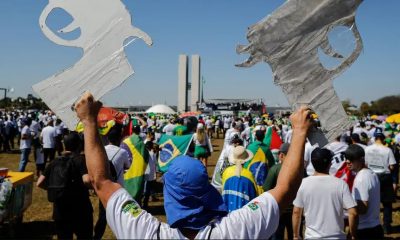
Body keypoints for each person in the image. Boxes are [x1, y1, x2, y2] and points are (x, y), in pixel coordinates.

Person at [74, 92, 312, 239]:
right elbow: (285, 189)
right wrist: (300, 131)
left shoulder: (146, 232)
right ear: (207, 191)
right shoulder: (236, 230)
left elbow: (101, 181)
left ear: (169, 196)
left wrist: (88, 121)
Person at [37, 132, 93, 239]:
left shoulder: (55, 161)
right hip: (80, 208)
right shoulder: (80, 160)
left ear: (64, 145)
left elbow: (39, 183)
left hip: (60, 209)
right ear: (79, 145)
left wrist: (53, 188)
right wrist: (93, 188)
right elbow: (86, 180)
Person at [292, 148, 358, 240]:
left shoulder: (303, 184)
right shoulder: (341, 184)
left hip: (312, 237)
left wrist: (296, 235)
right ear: (330, 164)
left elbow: (296, 212)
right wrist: (352, 234)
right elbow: (353, 213)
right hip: (337, 237)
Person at [345, 144, 383, 239]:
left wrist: (345, 206)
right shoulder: (372, 173)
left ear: (361, 159)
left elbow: (362, 209)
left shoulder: (361, 178)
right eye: (346, 158)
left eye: (352, 159)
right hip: (375, 226)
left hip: (364, 230)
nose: (348, 161)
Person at [364, 129, 396, 233]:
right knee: (387, 203)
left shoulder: (367, 149)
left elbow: (365, 163)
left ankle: (371, 225)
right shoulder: (388, 150)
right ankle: (386, 225)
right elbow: (391, 166)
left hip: (371, 175)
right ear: (383, 138)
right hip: (385, 176)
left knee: (372, 201)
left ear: (374, 138)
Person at [263, 143, 293, 240]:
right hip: (295, 210)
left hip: (279, 209)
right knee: (294, 234)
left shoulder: (274, 169)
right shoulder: (300, 169)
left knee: (277, 235)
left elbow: (266, 188)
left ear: (281, 155)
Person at [221, 145, 257, 212]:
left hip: (228, 211)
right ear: (246, 160)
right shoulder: (249, 174)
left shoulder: (226, 172)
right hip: (244, 214)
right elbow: (254, 194)